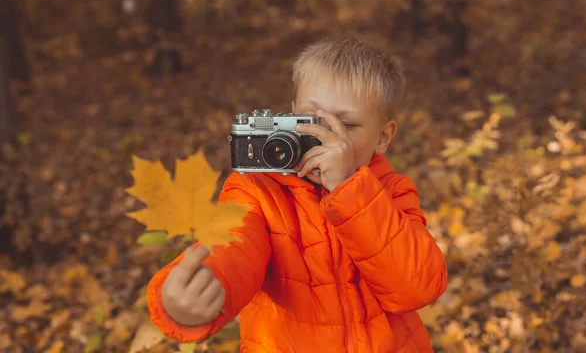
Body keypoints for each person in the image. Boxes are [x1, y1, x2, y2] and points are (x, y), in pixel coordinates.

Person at [146, 36, 448, 352]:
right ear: (290, 115)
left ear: (382, 137)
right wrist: (196, 292)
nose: (324, 137)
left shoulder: (391, 192)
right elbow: (234, 248)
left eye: (346, 124)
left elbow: (417, 288)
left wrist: (350, 190)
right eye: (310, 120)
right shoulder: (257, 191)